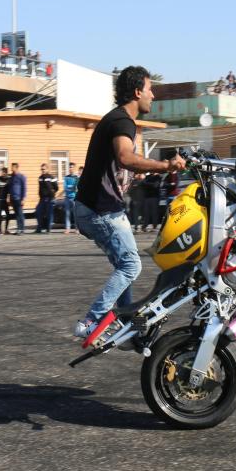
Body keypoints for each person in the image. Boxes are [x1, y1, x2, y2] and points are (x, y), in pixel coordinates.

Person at [72, 65, 186, 338]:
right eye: (150, 89)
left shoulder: (117, 120)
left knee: (125, 264)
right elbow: (124, 157)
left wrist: (139, 171)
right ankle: (91, 321)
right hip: (101, 210)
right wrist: (166, 165)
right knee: (131, 266)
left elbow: (119, 166)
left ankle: (126, 329)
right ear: (137, 92)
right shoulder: (122, 121)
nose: (153, 96)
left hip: (94, 207)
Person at [35, 163, 57, 233]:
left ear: (47, 169)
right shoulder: (40, 178)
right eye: (41, 169)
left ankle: (48, 228)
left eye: (43, 169)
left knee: (49, 213)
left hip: (50, 198)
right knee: (38, 211)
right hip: (42, 198)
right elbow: (40, 188)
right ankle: (39, 228)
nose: (42, 170)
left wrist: (51, 193)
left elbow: (56, 188)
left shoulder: (51, 177)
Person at [62, 162, 79, 234]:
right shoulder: (66, 177)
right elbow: (65, 187)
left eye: (71, 167)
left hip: (74, 198)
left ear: (74, 168)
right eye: (69, 167)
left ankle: (77, 228)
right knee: (67, 214)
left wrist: (72, 187)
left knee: (75, 214)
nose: (70, 168)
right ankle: (67, 228)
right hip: (67, 198)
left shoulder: (76, 178)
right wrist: (71, 187)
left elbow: (77, 188)